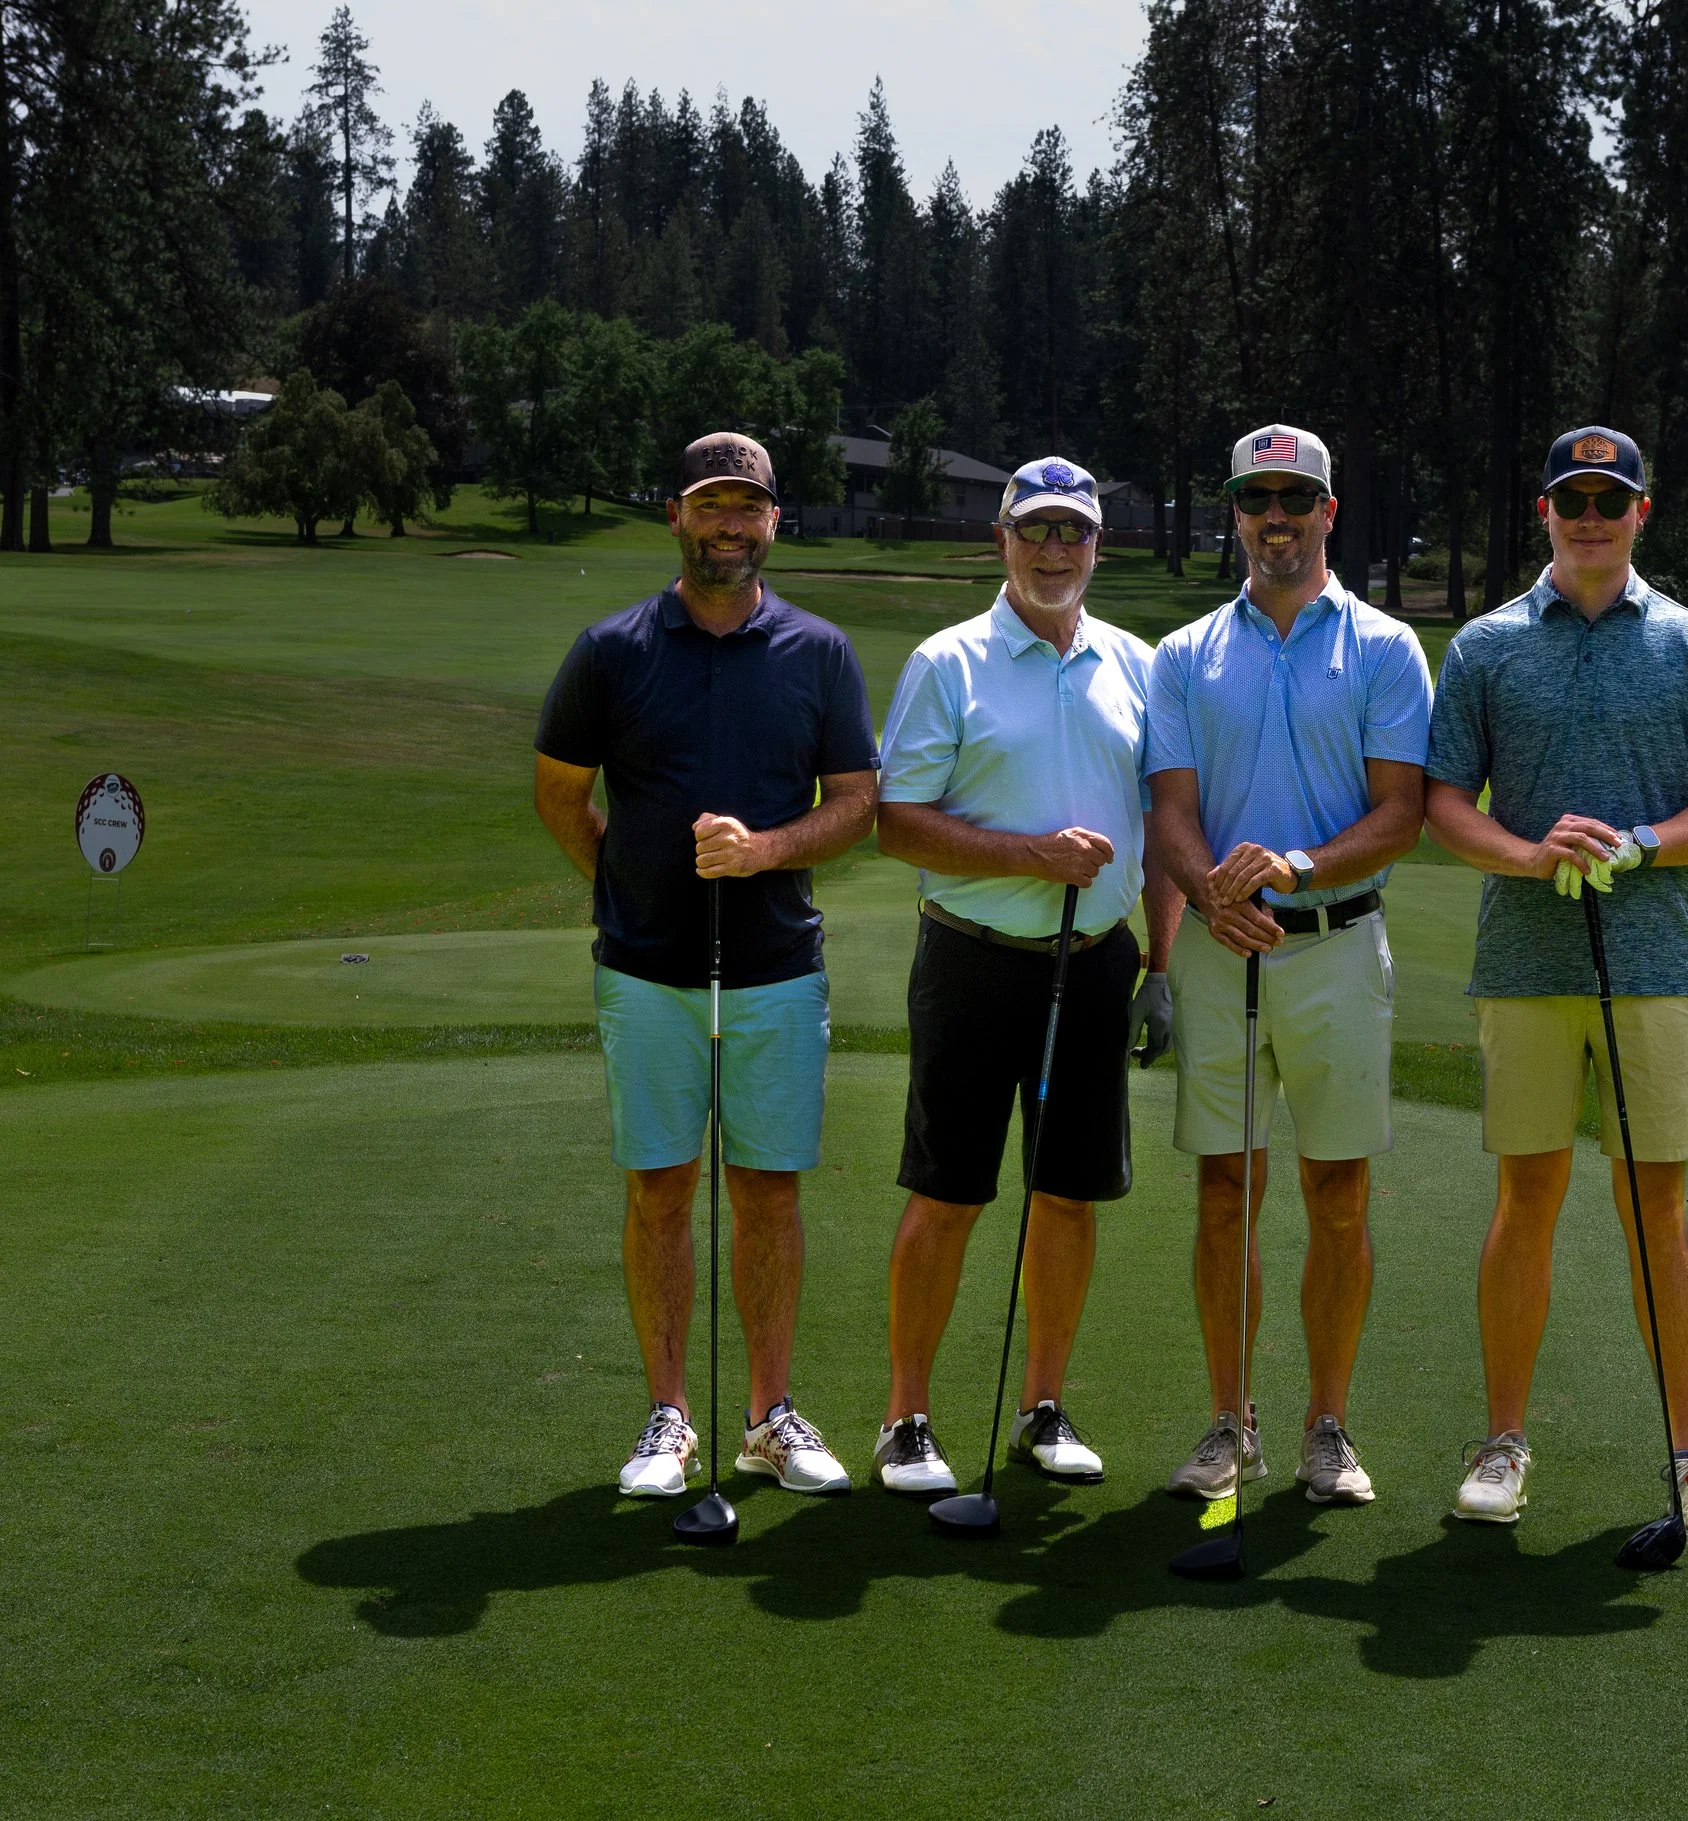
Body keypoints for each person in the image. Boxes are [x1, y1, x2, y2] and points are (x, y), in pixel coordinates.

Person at [1421, 425, 1688, 1537]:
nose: (1589, 516)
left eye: (1609, 500)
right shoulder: (1483, 647)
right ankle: (1504, 1442)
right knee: (1525, 1202)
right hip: (1523, 967)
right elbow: (1443, 807)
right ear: (1543, 512)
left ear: (1640, 515)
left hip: (1655, 963)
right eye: (1571, 497)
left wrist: (1648, 843)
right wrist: (1528, 855)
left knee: (1654, 1210)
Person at [534, 432, 879, 1502]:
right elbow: (559, 793)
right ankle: (668, 1417)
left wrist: (767, 851)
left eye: (750, 506)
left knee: (767, 1193)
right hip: (646, 970)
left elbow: (858, 804)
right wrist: (628, 882)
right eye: (711, 504)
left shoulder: (819, 653)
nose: (731, 523)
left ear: (775, 522)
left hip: (777, 963)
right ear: (677, 516)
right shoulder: (612, 648)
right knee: (660, 1191)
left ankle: (768, 1416)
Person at [868, 457, 1179, 1495]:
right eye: (1034, 532)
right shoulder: (946, 662)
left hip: (1095, 965)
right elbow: (895, 819)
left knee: (1068, 1197)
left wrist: (1161, 964)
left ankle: (1043, 1406)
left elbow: (1162, 828)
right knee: (946, 1195)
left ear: (1098, 545)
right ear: (1001, 540)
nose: (1055, 553)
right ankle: (905, 1417)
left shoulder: (1136, 665)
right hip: (970, 960)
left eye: (1074, 535)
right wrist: (1028, 855)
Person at [1146, 423, 1432, 1507]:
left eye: (1295, 500)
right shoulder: (1184, 655)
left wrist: (1298, 867)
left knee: (1337, 1194)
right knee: (1227, 1191)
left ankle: (1327, 1427)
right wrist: (1209, 889)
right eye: (1257, 500)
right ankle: (1231, 1421)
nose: (1278, 518)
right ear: (1234, 513)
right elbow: (1170, 813)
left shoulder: (1385, 647)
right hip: (1221, 949)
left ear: (1328, 512)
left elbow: (1400, 814)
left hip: (1337, 947)